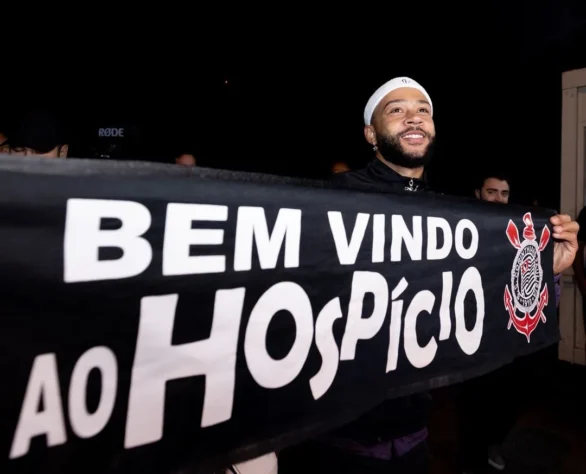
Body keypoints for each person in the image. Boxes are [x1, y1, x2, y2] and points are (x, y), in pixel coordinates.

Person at [296, 76, 578, 474]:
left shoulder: (451, 218)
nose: (413, 118)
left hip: (413, 432)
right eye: (396, 110)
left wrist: (546, 271)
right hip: (338, 437)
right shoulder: (332, 200)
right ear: (370, 134)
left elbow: (488, 303)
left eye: (423, 110)